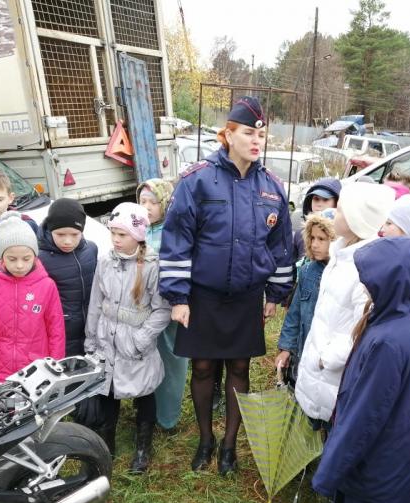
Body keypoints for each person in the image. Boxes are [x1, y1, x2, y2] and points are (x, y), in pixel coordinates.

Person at [159, 96, 293, 475]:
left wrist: (275, 293)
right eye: (249, 132)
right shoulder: (197, 180)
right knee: (202, 367)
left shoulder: (270, 187)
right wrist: (178, 296)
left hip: (246, 295)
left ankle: (229, 446)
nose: (257, 140)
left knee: (239, 367)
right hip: (203, 295)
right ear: (228, 134)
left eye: (261, 134)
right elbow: (176, 239)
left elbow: (280, 246)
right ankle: (205, 439)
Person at [312, 236, 410, 503]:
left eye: (369, 282)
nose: (364, 287)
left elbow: (366, 414)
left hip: (375, 454)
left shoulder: (387, 341)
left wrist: (330, 469)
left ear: (390, 283)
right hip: (385, 451)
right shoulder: (398, 314)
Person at [295, 181, 393, 425]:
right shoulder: (339, 255)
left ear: (354, 220)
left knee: (330, 429)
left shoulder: (363, 269)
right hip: (317, 365)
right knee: (313, 429)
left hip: (331, 372)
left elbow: (362, 324)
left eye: (340, 210)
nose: (333, 213)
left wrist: (328, 358)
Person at [85, 202, 171, 473]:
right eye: (113, 233)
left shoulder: (152, 266)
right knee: (108, 392)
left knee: (144, 391)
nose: (116, 240)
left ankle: (143, 447)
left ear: (139, 235)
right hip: (106, 339)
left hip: (135, 342)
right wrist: (91, 340)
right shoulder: (105, 262)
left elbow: (162, 309)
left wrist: (141, 340)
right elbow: (96, 303)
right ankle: (106, 444)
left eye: (122, 235)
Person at [0, 213, 65, 387]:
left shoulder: (47, 285)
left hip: (36, 368)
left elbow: (56, 330)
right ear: (1, 257)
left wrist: (55, 366)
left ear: (35, 256)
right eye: (12, 259)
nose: (19, 265)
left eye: (26, 259)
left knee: (34, 413)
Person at [137, 178, 188, 433]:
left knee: (170, 361)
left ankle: (168, 417)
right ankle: (145, 408)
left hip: (168, 307)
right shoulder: (137, 229)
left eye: (153, 202)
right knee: (144, 357)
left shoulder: (175, 231)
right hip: (141, 309)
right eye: (142, 201)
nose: (146, 207)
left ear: (166, 203)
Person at [276, 209, 336, 386]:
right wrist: (286, 348)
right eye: (312, 238)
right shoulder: (307, 271)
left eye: (322, 239)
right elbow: (294, 315)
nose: (315, 244)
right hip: (303, 355)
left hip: (328, 363)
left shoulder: (346, 275)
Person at [36, 197, 98, 356]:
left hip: (91, 329)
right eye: (60, 234)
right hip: (60, 333)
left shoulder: (91, 250)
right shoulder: (39, 258)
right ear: (50, 230)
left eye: (74, 234)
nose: (68, 241)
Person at [293, 178, 341, 262]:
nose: (319, 204)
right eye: (316, 199)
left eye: (325, 199)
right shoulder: (300, 234)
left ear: (337, 203)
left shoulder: (344, 236)